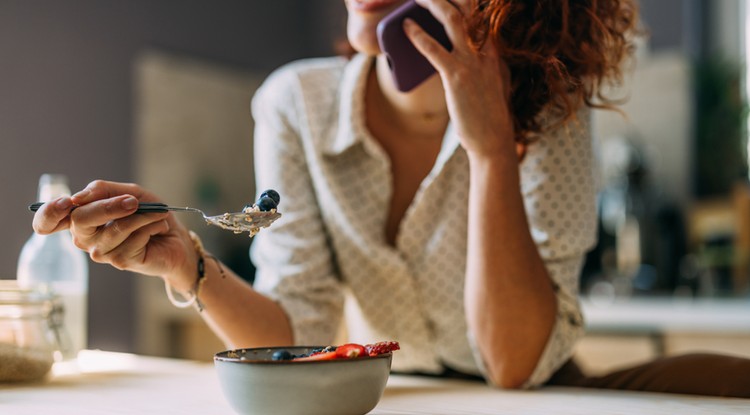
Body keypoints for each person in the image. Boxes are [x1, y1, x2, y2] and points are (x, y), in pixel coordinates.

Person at [33, 0, 749, 397]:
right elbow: (295, 339)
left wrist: (493, 150)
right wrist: (184, 262)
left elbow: (512, 365)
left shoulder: (548, 113)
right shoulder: (296, 105)